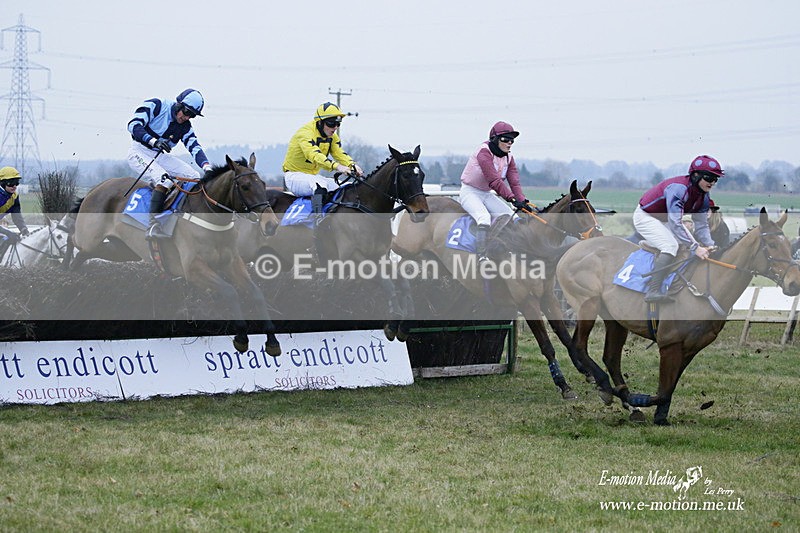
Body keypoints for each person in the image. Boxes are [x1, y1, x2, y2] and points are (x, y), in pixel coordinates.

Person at [634, 154, 723, 302]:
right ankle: (653, 290)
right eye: (708, 177)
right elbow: (676, 223)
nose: (712, 182)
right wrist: (696, 247)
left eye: (715, 179)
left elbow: (701, 225)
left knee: (688, 245)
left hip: (665, 219)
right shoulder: (679, 189)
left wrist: (709, 245)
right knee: (670, 246)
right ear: (695, 175)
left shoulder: (704, 197)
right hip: (646, 216)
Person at [126, 88, 213, 239]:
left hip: (158, 156)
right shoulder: (157, 105)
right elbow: (133, 126)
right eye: (186, 112)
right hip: (138, 152)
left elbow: (194, 147)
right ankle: (153, 224)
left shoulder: (185, 127)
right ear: (179, 105)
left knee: (194, 176)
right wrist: (153, 141)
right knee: (164, 180)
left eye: (192, 115)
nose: (187, 117)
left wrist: (208, 167)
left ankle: (181, 215)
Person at [458, 121, 531, 261]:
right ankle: (481, 256)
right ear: (495, 139)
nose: (509, 143)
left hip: (486, 194)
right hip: (470, 192)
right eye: (505, 139)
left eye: (512, 141)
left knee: (512, 217)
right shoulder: (483, 152)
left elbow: (514, 182)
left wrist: (522, 200)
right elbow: (494, 181)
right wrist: (512, 199)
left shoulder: (509, 158)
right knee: (483, 218)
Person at [282, 102, 364, 217]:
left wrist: (352, 165)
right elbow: (315, 156)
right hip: (294, 177)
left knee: (346, 187)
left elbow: (339, 153)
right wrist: (338, 167)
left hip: (313, 177)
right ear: (319, 122)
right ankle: (318, 220)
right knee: (320, 185)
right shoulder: (305, 134)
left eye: (337, 124)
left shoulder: (333, 137)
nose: (335, 128)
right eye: (331, 124)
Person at [0, 166, 30, 258]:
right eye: (11, 183)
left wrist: (23, 229)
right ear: (2, 183)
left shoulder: (14, 196)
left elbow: (17, 217)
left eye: (16, 183)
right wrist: (7, 232)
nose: (14, 186)